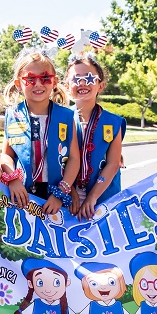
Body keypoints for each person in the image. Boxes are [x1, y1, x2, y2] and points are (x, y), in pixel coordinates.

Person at [0, 49, 81, 215]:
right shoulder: (13, 115)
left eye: (45, 78)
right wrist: (12, 179)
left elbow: (74, 158)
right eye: (30, 79)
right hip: (22, 194)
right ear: (18, 84)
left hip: (55, 197)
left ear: (54, 82)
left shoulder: (66, 116)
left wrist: (61, 192)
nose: (38, 84)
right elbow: (7, 155)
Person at [65, 52, 124, 219]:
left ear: (101, 85)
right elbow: (57, 162)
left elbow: (113, 164)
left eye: (89, 78)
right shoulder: (60, 119)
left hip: (103, 198)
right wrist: (70, 190)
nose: (82, 83)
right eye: (76, 79)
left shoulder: (113, 122)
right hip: (66, 199)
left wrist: (92, 197)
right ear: (67, 85)